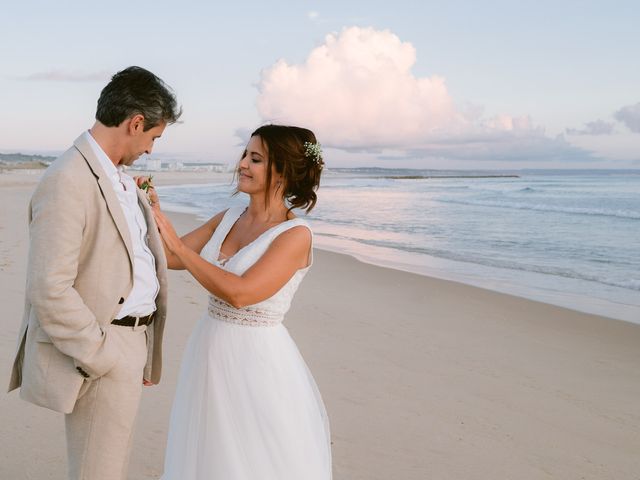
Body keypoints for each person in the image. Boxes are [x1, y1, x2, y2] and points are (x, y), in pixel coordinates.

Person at [8, 66, 182, 480]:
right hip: (103, 347)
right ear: (135, 123)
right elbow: (49, 288)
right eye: (153, 138)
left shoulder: (114, 176)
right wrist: (100, 354)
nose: (151, 150)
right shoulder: (68, 179)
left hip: (128, 342)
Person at [149, 124, 332, 479]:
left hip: (255, 359)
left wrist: (176, 246)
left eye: (257, 158)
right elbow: (170, 256)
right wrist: (150, 212)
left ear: (284, 170)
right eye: (245, 154)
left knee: (255, 456)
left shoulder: (295, 236)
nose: (243, 164)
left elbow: (240, 293)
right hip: (209, 346)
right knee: (209, 451)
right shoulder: (230, 217)